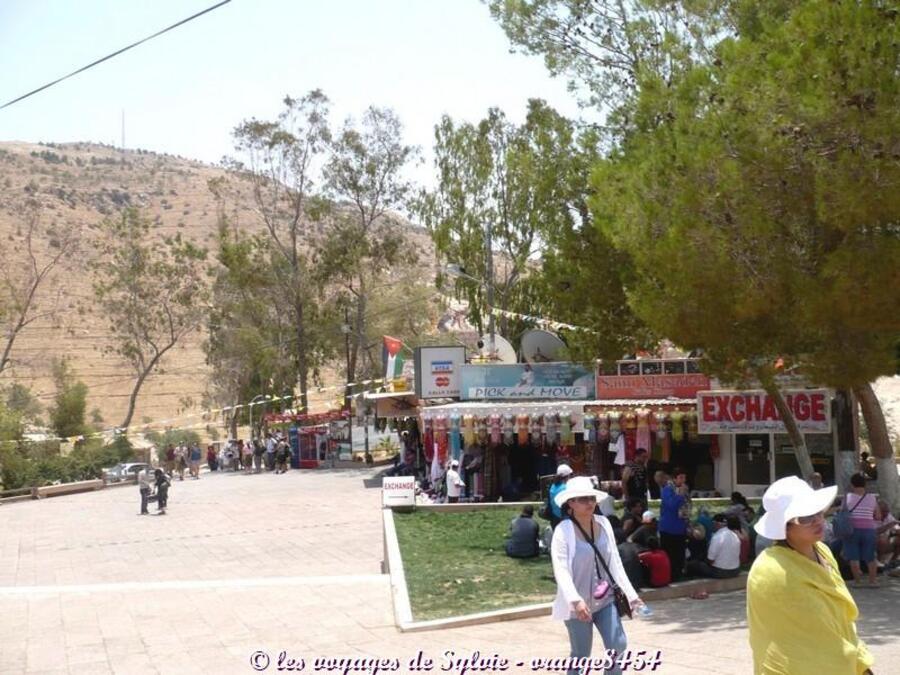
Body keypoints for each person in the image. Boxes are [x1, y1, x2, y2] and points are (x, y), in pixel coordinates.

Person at [748, 476, 874, 675]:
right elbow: (815, 636)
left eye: (818, 512)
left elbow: (841, 619)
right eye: (805, 517)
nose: (818, 520)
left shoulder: (823, 550)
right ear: (785, 527)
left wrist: (861, 664)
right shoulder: (771, 569)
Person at [550, 476, 645, 675]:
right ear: (571, 503)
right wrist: (575, 601)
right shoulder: (562, 531)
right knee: (581, 654)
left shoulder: (604, 523)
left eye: (592, 498)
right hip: (578, 605)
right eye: (583, 499)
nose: (589, 503)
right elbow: (561, 569)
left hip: (605, 599)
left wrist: (631, 595)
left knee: (618, 644)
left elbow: (615, 563)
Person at [844, 472, 881, 587]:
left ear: (852, 484)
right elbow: (878, 516)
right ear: (865, 484)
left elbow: (842, 512)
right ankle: (873, 581)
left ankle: (858, 582)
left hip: (852, 529)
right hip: (869, 529)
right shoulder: (872, 498)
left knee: (854, 556)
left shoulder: (847, 497)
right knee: (870, 556)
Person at [686, 514, 741, 578]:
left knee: (693, 564)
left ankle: (689, 577)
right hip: (735, 570)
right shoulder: (734, 535)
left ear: (717, 524)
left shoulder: (717, 537)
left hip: (721, 572)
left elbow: (710, 560)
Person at [656, 470, 687, 581]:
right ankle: (669, 575)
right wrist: (680, 495)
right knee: (669, 554)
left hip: (680, 527)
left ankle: (679, 574)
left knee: (679, 554)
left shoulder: (684, 490)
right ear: (674, 479)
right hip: (669, 527)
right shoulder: (667, 490)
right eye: (681, 478)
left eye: (684, 478)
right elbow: (672, 505)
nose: (683, 481)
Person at [546, 464, 573, 529]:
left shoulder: (553, 486)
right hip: (565, 518)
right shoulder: (566, 488)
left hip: (554, 517)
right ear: (568, 476)